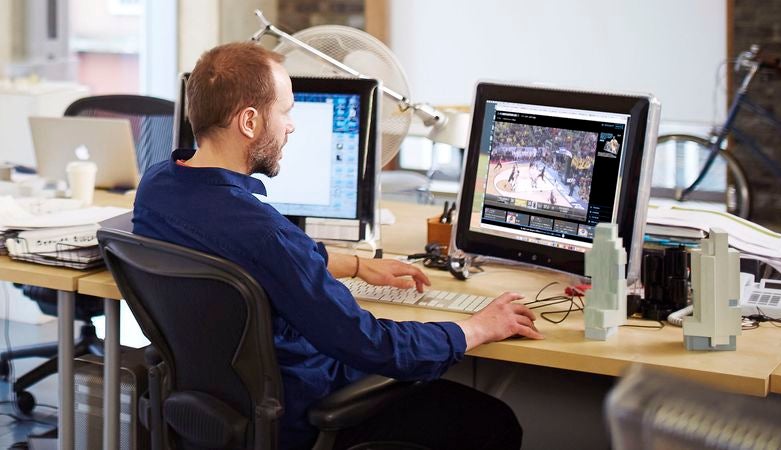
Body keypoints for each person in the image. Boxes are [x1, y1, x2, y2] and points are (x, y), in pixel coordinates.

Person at [132, 42, 543, 450]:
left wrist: (356, 266)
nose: (291, 126)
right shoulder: (265, 234)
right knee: (493, 422)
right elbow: (372, 344)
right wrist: (476, 328)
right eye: (286, 111)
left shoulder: (157, 187)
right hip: (300, 414)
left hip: (214, 410)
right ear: (250, 122)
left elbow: (244, 254)